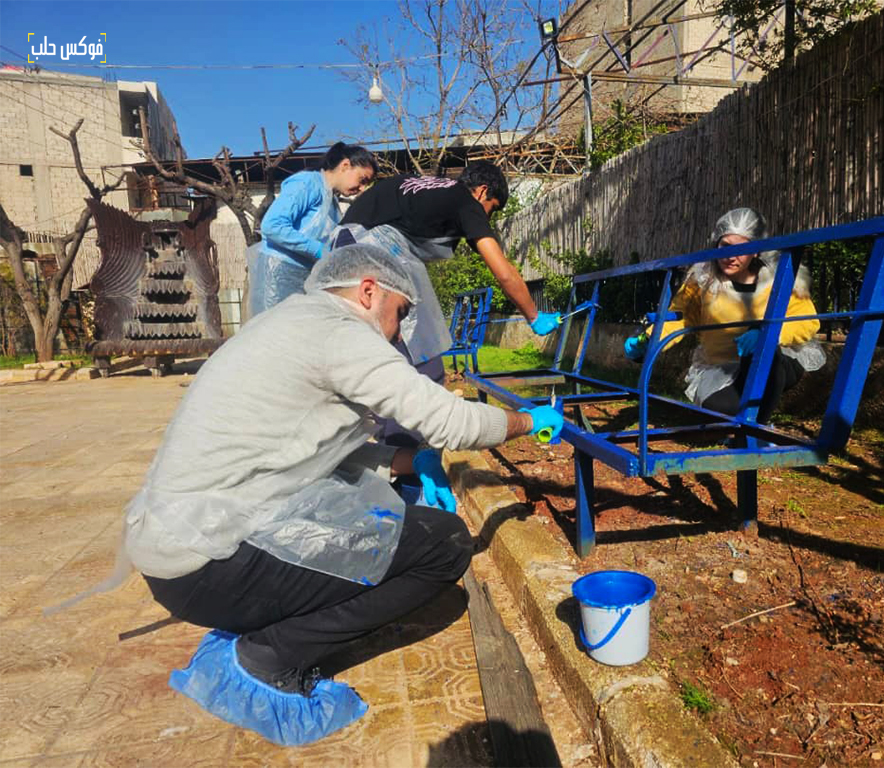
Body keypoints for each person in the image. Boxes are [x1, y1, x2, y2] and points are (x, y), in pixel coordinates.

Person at [123, 244, 563, 746]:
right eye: (399, 313)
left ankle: (261, 627)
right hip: (209, 562)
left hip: (179, 551)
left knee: (375, 516)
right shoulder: (341, 333)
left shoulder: (292, 322)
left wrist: (407, 462)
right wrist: (528, 420)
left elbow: (306, 452)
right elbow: (451, 420)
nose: (398, 332)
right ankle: (269, 655)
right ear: (369, 290)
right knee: (445, 545)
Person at [333, 160, 562, 381]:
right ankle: (409, 417)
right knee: (422, 357)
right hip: (372, 249)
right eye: (491, 210)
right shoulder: (467, 202)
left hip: (341, 249)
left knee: (375, 350)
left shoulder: (434, 189)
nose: (487, 218)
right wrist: (534, 315)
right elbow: (503, 272)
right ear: (483, 191)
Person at [624, 208, 825, 423]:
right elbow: (679, 318)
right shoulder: (702, 280)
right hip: (720, 369)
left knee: (765, 354)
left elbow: (806, 321)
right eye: (725, 246)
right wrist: (649, 338)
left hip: (777, 359)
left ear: (756, 250)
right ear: (716, 245)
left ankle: (753, 434)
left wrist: (769, 334)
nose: (730, 256)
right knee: (719, 410)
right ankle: (746, 424)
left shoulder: (779, 278)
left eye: (742, 248)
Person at [247, 142, 379, 317]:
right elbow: (273, 225)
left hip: (301, 278)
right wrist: (317, 250)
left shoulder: (331, 201)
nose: (361, 188)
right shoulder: (308, 183)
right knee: (278, 337)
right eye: (362, 180)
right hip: (278, 275)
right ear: (345, 165)